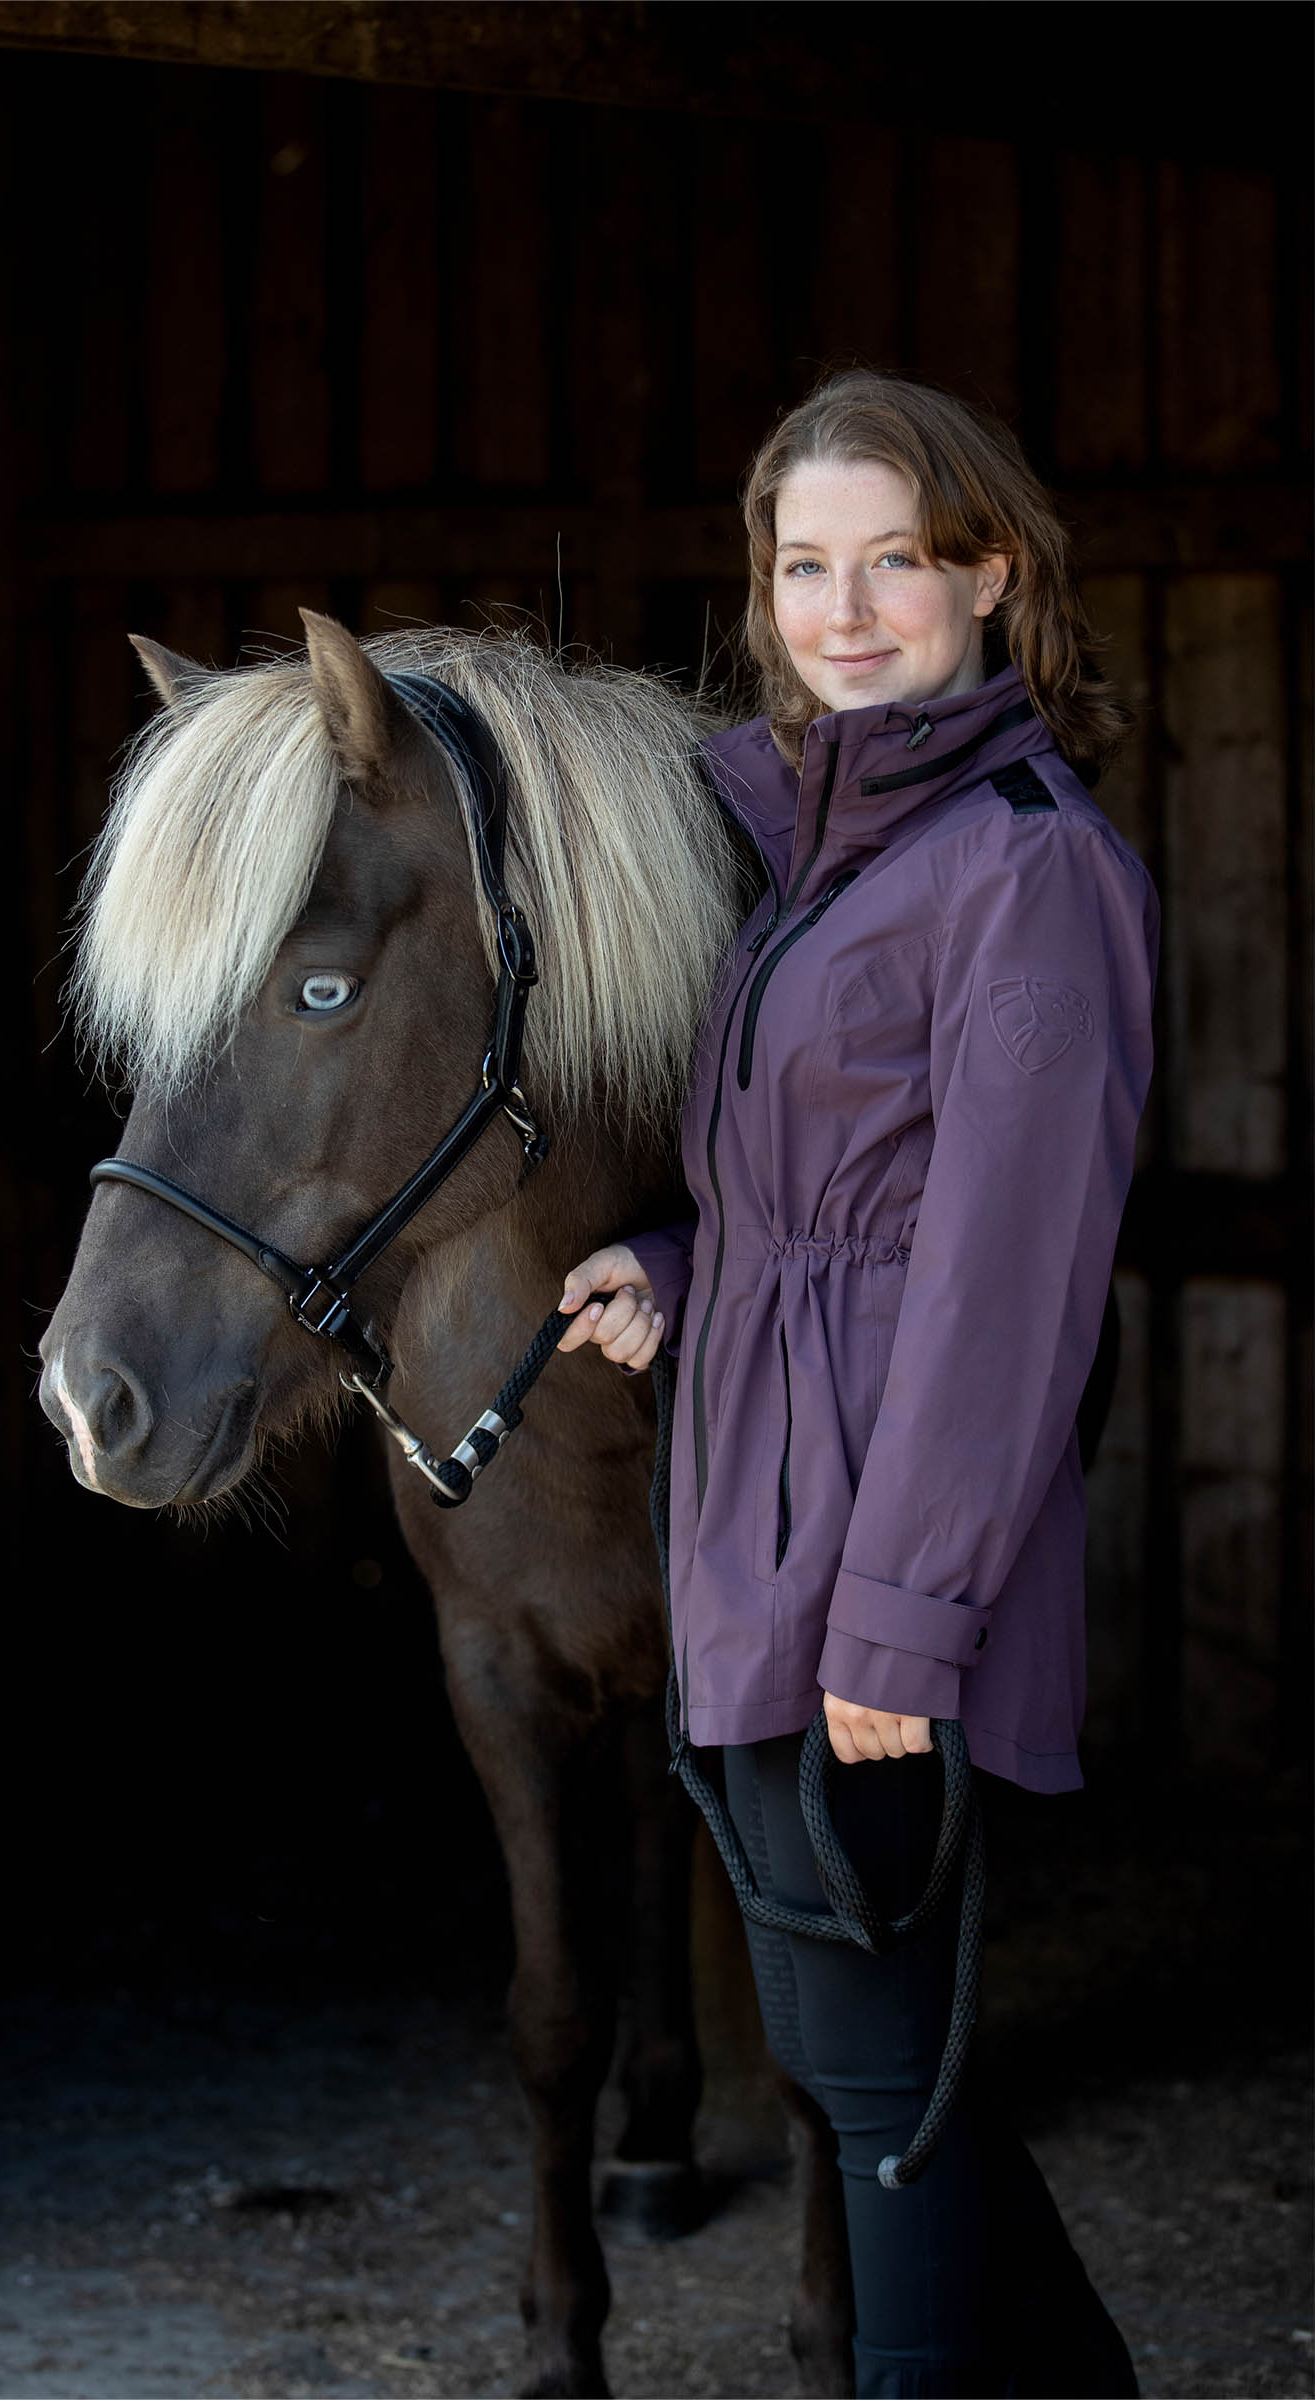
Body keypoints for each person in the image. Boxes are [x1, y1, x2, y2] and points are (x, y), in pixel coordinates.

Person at [556, 370, 1157, 2397]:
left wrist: (896, 1628)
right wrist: (674, 1260)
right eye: (800, 563)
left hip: (876, 1569)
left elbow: (1006, 1290)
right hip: (756, 1520)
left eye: (891, 558)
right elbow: (831, 1192)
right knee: (856, 2059)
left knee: (877, 2078)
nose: (841, 605)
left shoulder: (1019, 869)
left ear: (985, 573)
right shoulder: (817, 848)